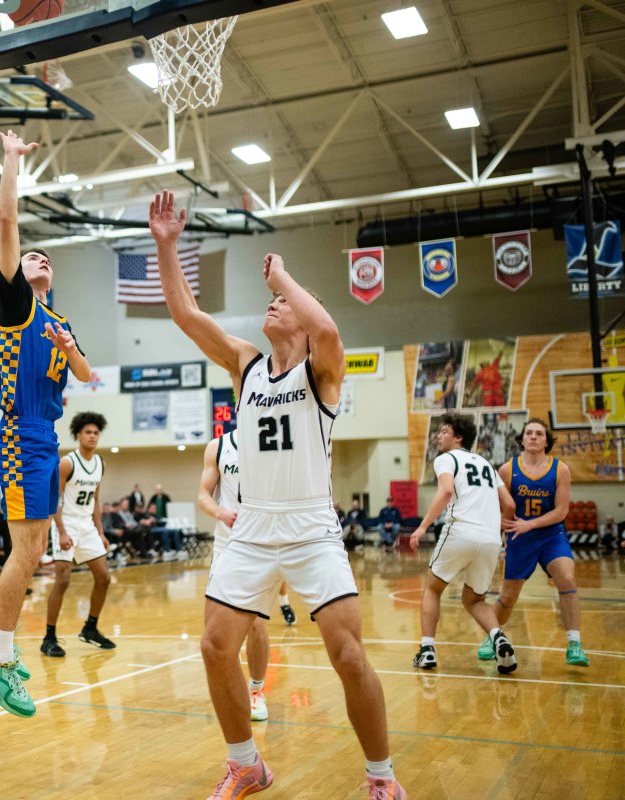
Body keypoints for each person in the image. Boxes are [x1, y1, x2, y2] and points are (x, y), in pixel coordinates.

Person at [149, 191, 403, 798]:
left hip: (313, 526)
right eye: (272, 299)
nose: (272, 304)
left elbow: (329, 327)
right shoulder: (245, 365)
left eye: (281, 304)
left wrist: (285, 274)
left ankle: (382, 777)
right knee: (215, 647)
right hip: (252, 527)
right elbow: (187, 316)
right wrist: (166, 246)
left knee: (347, 654)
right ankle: (246, 764)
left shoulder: (322, 372)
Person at [0, 129, 92, 719]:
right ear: (21, 270)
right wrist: (11, 161)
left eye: (49, 258)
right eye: (32, 256)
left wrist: (70, 349)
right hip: (19, 435)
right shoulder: (18, 306)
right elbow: (7, 221)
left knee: (37, 548)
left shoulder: (59, 320)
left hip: (47, 439)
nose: (39, 258)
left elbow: (88, 376)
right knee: (25, 551)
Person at [198, 429, 296, 725]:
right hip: (227, 544)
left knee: (255, 623)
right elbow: (203, 494)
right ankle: (232, 691)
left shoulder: (278, 441)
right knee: (213, 630)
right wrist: (219, 512)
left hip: (263, 544)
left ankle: (255, 691)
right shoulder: (219, 446)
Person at [408, 413, 517, 675]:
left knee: (433, 588)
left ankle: (427, 651)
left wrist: (422, 526)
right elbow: (510, 505)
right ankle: (499, 638)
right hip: (491, 539)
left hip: (460, 530)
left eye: (444, 431)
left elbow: (445, 491)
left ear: (458, 438)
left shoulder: (446, 458)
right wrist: (496, 524)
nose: (438, 435)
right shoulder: (487, 464)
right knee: (474, 599)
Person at [490, 418, 588, 667]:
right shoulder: (507, 470)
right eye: (529, 433)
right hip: (519, 539)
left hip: (551, 535)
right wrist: (499, 526)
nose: (533, 437)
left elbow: (561, 511)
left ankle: (574, 643)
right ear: (522, 439)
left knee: (566, 578)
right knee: (508, 597)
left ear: (547, 441)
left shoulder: (560, 469)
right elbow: (498, 508)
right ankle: (491, 635)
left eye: (539, 434)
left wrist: (530, 523)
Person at [41, 412, 115, 658]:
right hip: (67, 524)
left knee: (104, 578)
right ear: (78, 435)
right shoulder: (67, 463)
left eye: (96, 433)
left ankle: (90, 628)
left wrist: (101, 532)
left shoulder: (100, 464)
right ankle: (49, 637)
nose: (92, 436)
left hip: (87, 526)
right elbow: (55, 499)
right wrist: (61, 531)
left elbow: (95, 500)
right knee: (62, 581)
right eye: (88, 432)